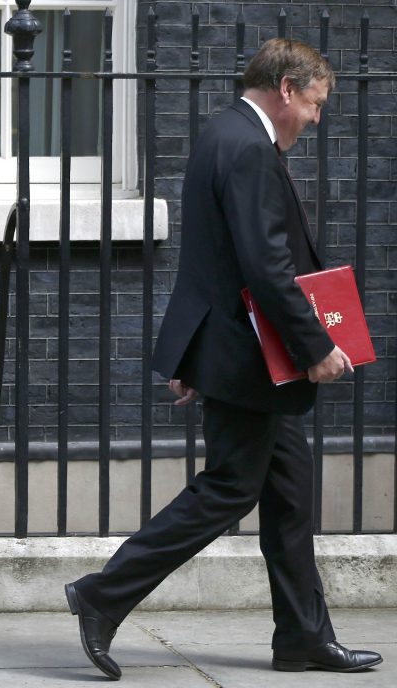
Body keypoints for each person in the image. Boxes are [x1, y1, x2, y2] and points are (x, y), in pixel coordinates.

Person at [65, 38, 382, 681]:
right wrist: (316, 347)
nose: (316, 120)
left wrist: (192, 351)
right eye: (315, 105)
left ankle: (301, 635)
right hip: (252, 362)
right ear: (288, 88)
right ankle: (103, 593)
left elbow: (211, 263)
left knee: (290, 497)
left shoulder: (223, 134)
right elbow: (267, 270)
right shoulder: (248, 147)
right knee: (229, 488)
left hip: (237, 352)